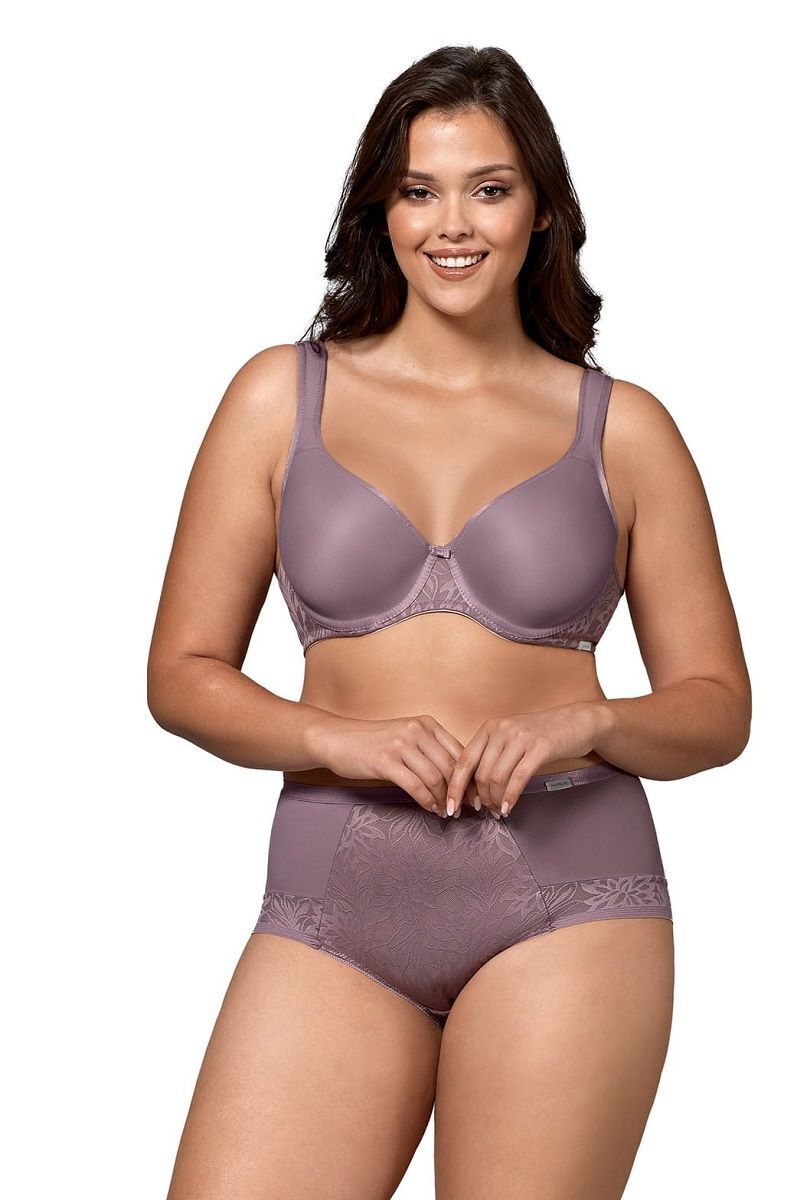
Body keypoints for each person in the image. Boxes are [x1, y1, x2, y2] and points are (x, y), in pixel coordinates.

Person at [148, 45, 751, 1200]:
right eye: (419, 190)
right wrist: (338, 738)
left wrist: (590, 723)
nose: (453, 224)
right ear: (380, 212)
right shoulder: (280, 397)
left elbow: (719, 709)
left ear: (542, 210)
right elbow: (181, 673)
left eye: (490, 188)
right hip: (333, 910)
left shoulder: (626, 431)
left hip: (569, 900)